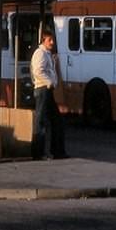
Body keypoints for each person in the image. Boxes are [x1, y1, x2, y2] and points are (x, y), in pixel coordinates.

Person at [31, 29, 67, 160]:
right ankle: (38, 153)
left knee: (57, 120)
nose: (52, 42)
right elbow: (38, 71)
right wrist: (50, 82)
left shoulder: (47, 53)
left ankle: (57, 151)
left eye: (53, 40)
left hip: (47, 90)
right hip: (43, 89)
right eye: (49, 40)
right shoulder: (40, 53)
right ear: (43, 40)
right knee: (40, 121)